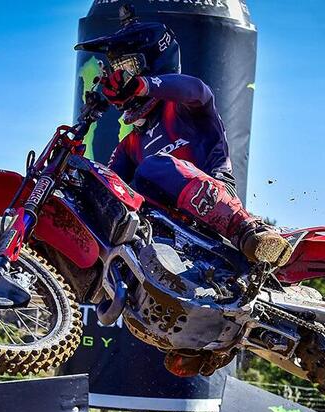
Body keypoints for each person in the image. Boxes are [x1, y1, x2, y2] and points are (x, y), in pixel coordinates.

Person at [75, 7, 291, 267]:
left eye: (128, 67)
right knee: (110, 194)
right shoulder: (130, 144)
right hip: (166, 229)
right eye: (116, 69)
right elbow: (106, 189)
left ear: (153, 62)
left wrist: (143, 85)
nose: (121, 76)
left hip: (215, 206)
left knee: (154, 165)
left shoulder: (185, 106)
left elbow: (196, 89)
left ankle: (248, 230)